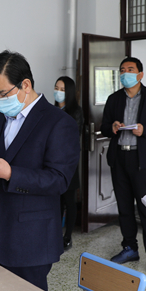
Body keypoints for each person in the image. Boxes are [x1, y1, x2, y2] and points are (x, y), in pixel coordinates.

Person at [0, 50, 79, 291]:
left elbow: (58, 180)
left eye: (3, 94)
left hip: (29, 237)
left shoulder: (59, 122)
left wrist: (11, 174)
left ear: (26, 85)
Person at [100, 57, 146, 277]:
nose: (125, 73)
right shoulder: (113, 99)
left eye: (130, 69)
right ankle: (130, 248)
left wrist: (145, 130)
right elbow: (104, 126)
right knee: (124, 208)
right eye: (122, 70)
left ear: (140, 74)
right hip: (119, 158)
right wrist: (112, 127)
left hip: (142, 161)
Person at [53, 76, 83, 251]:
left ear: (69, 92)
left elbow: (72, 137)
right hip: (51, 163)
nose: (58, 92)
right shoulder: (51, 109)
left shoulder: (75, 112)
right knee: (56, 201)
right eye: (56, 88)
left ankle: (68, 236)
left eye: (62, 89)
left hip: (68, 163)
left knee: (69, 200)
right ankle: (55, 234)